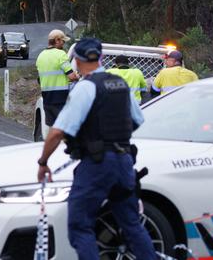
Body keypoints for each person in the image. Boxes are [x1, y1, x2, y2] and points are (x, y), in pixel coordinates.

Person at [37, 38, 156, 260]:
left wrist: (43, 162)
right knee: (131, 225)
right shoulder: (120, 85)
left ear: (78, 61)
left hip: (97, 164)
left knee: (80, 226)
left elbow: (57, 131)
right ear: (101, 58)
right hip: (124, 162)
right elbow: (138, 120)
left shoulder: (85, 88)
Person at [35, 30, 79, 127]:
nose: (64, 43)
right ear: (57, 40)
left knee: (52, 128)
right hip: (60, 99)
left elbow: (40, 79)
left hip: (47, 99)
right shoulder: (61, 54)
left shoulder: (40, 56)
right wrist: (77, 76)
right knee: (63, 129)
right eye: (63, 41)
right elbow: (71, 76)